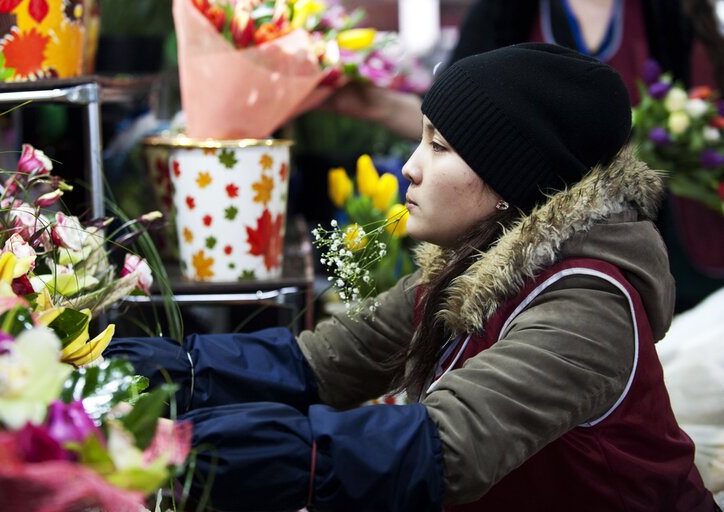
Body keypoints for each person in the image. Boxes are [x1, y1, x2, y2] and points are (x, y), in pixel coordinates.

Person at [107, 44, 718, 511]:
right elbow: (320, 363)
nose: (410, 168)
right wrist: (117, 372)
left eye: (441, 147)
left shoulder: (588, 305)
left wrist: (185, 448)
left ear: (513, 179)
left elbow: (442, 445)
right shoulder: (471, 271)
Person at [328, 0, 724, 312]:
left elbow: (705, 111)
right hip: (522, 238)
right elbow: (452, 123)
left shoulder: (663, 6)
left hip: (646, 230)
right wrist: (375, 105)